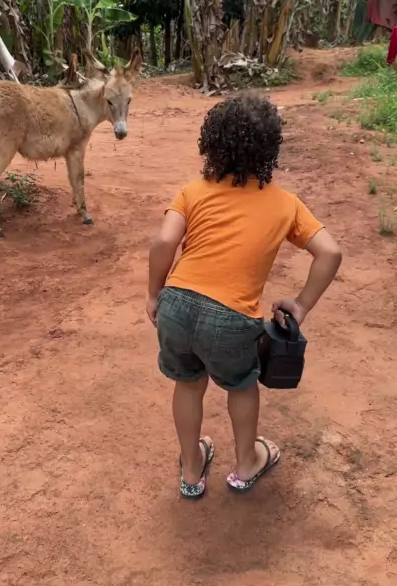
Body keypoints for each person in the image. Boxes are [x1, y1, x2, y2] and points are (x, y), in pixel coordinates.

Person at [147, 94, 342, 499]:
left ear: (212, 143)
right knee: (241, 385)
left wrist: (154, 294)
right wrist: (301, 305)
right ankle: (246, 463)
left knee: (188, 384)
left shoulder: (193, 191)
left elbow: (164, 242)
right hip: (231, 316)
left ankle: (191, 470)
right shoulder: (286, 204)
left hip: (176, 304)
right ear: (270, 149)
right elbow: (330, 253)